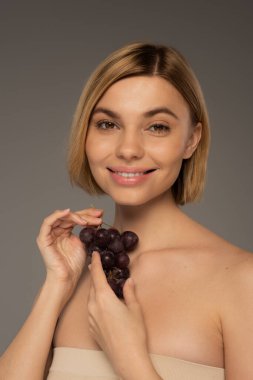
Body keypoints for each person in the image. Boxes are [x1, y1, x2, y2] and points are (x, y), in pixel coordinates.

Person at [0, 41, 253, 380]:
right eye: (108, 124)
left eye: (157, 126)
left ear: (191, 140)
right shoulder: (81, 275)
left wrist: (130, 358)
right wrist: (56, 287)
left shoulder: (241, 281)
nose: (128, 149)